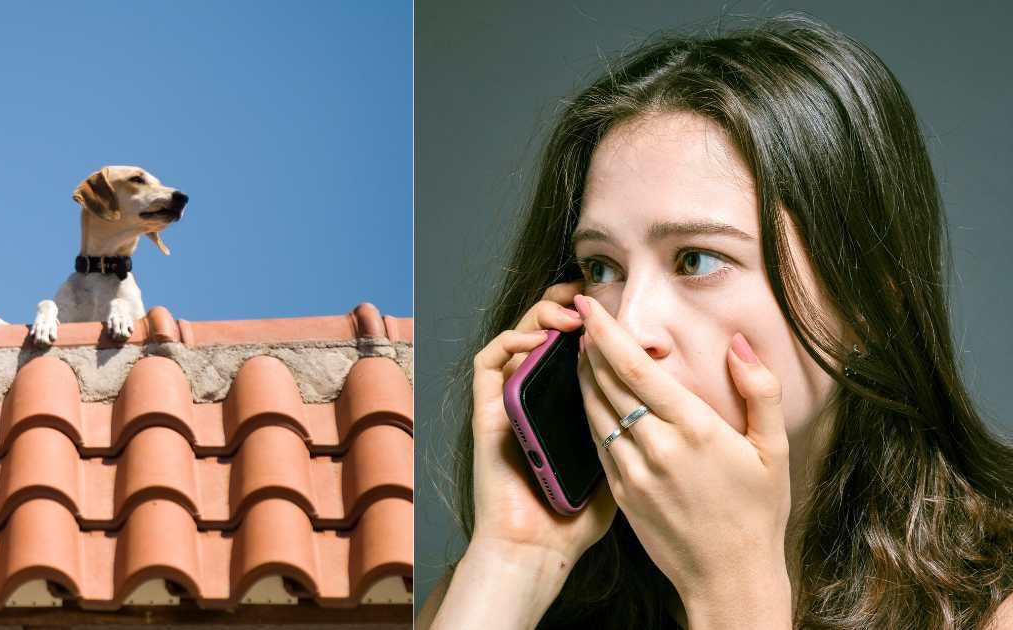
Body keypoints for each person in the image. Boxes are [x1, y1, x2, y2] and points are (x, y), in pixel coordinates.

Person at [417, 13, 1013, 630]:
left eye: (696, 260)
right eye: (601, 268)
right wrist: (516, 559)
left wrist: (732, 589)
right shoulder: (494, 593)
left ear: (867, 306)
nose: (631, 328)